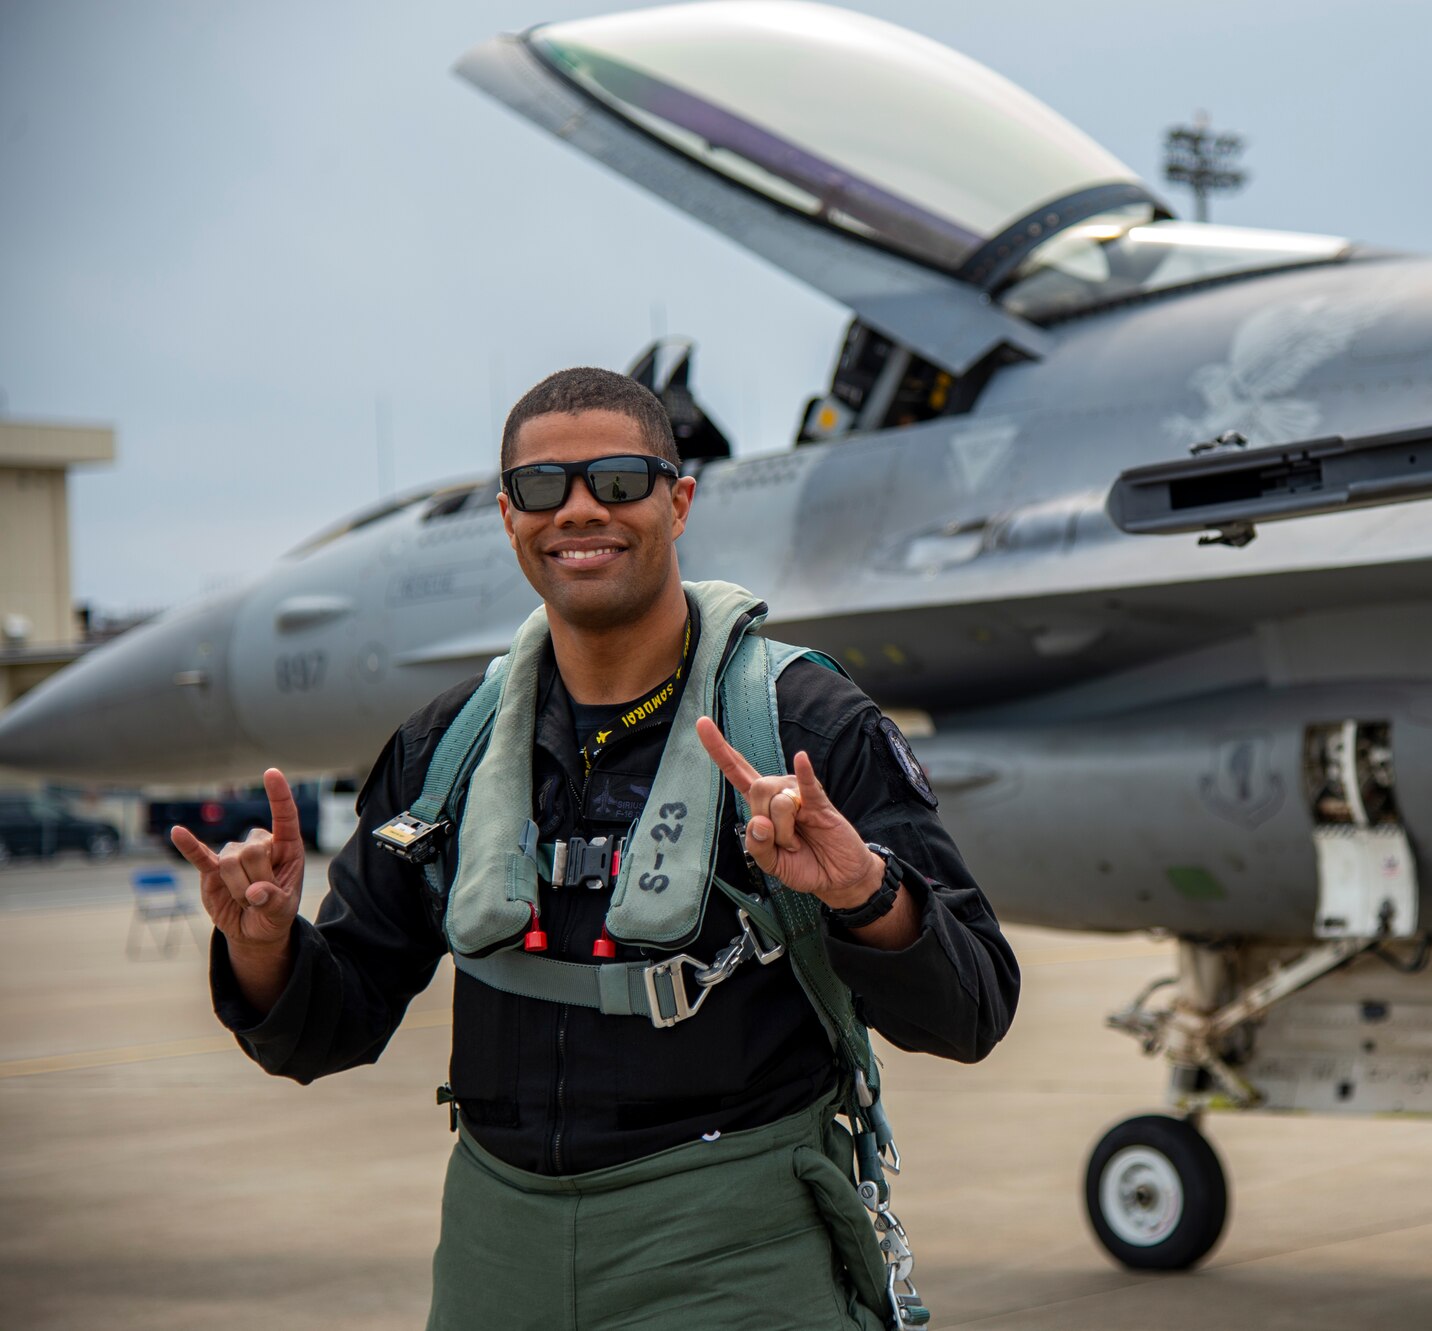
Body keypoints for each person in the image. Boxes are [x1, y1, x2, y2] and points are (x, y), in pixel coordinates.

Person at [170, 367, 1019, 1330]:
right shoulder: (449, 749)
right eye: (543, 489)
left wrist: (866, 892)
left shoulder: (803, 725)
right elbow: (329, 1027)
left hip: (734, 1253)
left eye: (617, 480)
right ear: (507, 516)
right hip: (499, 1247)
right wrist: (263, 941)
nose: (579, 510)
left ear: (679, 499)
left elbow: (974, 1006)